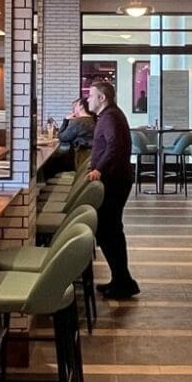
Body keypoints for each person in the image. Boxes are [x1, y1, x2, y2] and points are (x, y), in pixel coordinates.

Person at [87, 79, 139, 300]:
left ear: (102, 98)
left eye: (91, 95)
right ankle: (122, 280)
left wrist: (99, 168)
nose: (88, 99)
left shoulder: (110, 117)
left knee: (109, 231)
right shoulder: (110, 116)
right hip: (116, 179)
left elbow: (114, 145)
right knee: (110, 231)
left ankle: (123, 281)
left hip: (115, 180)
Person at [38, 96, 96, 182]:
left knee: (47, 164)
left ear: (81, 106)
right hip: (85, 159)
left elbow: (62, 137)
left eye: (76, 105)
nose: (74, 108)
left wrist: (66, 120)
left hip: (76, 159)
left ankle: (43, 190)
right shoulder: (93, 120)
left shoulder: (78, 122)